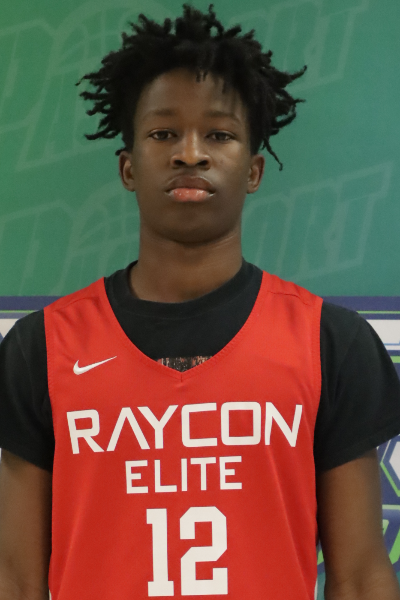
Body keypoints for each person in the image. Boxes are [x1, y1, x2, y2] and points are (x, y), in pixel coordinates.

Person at [0, 5, 400, 599]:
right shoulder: (41, 348)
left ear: (255, 170)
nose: (190, 154)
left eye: (219, 134)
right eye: (164, 134)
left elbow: (362, 575)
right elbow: (15, 578)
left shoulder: (329, 342)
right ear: (128, 168)